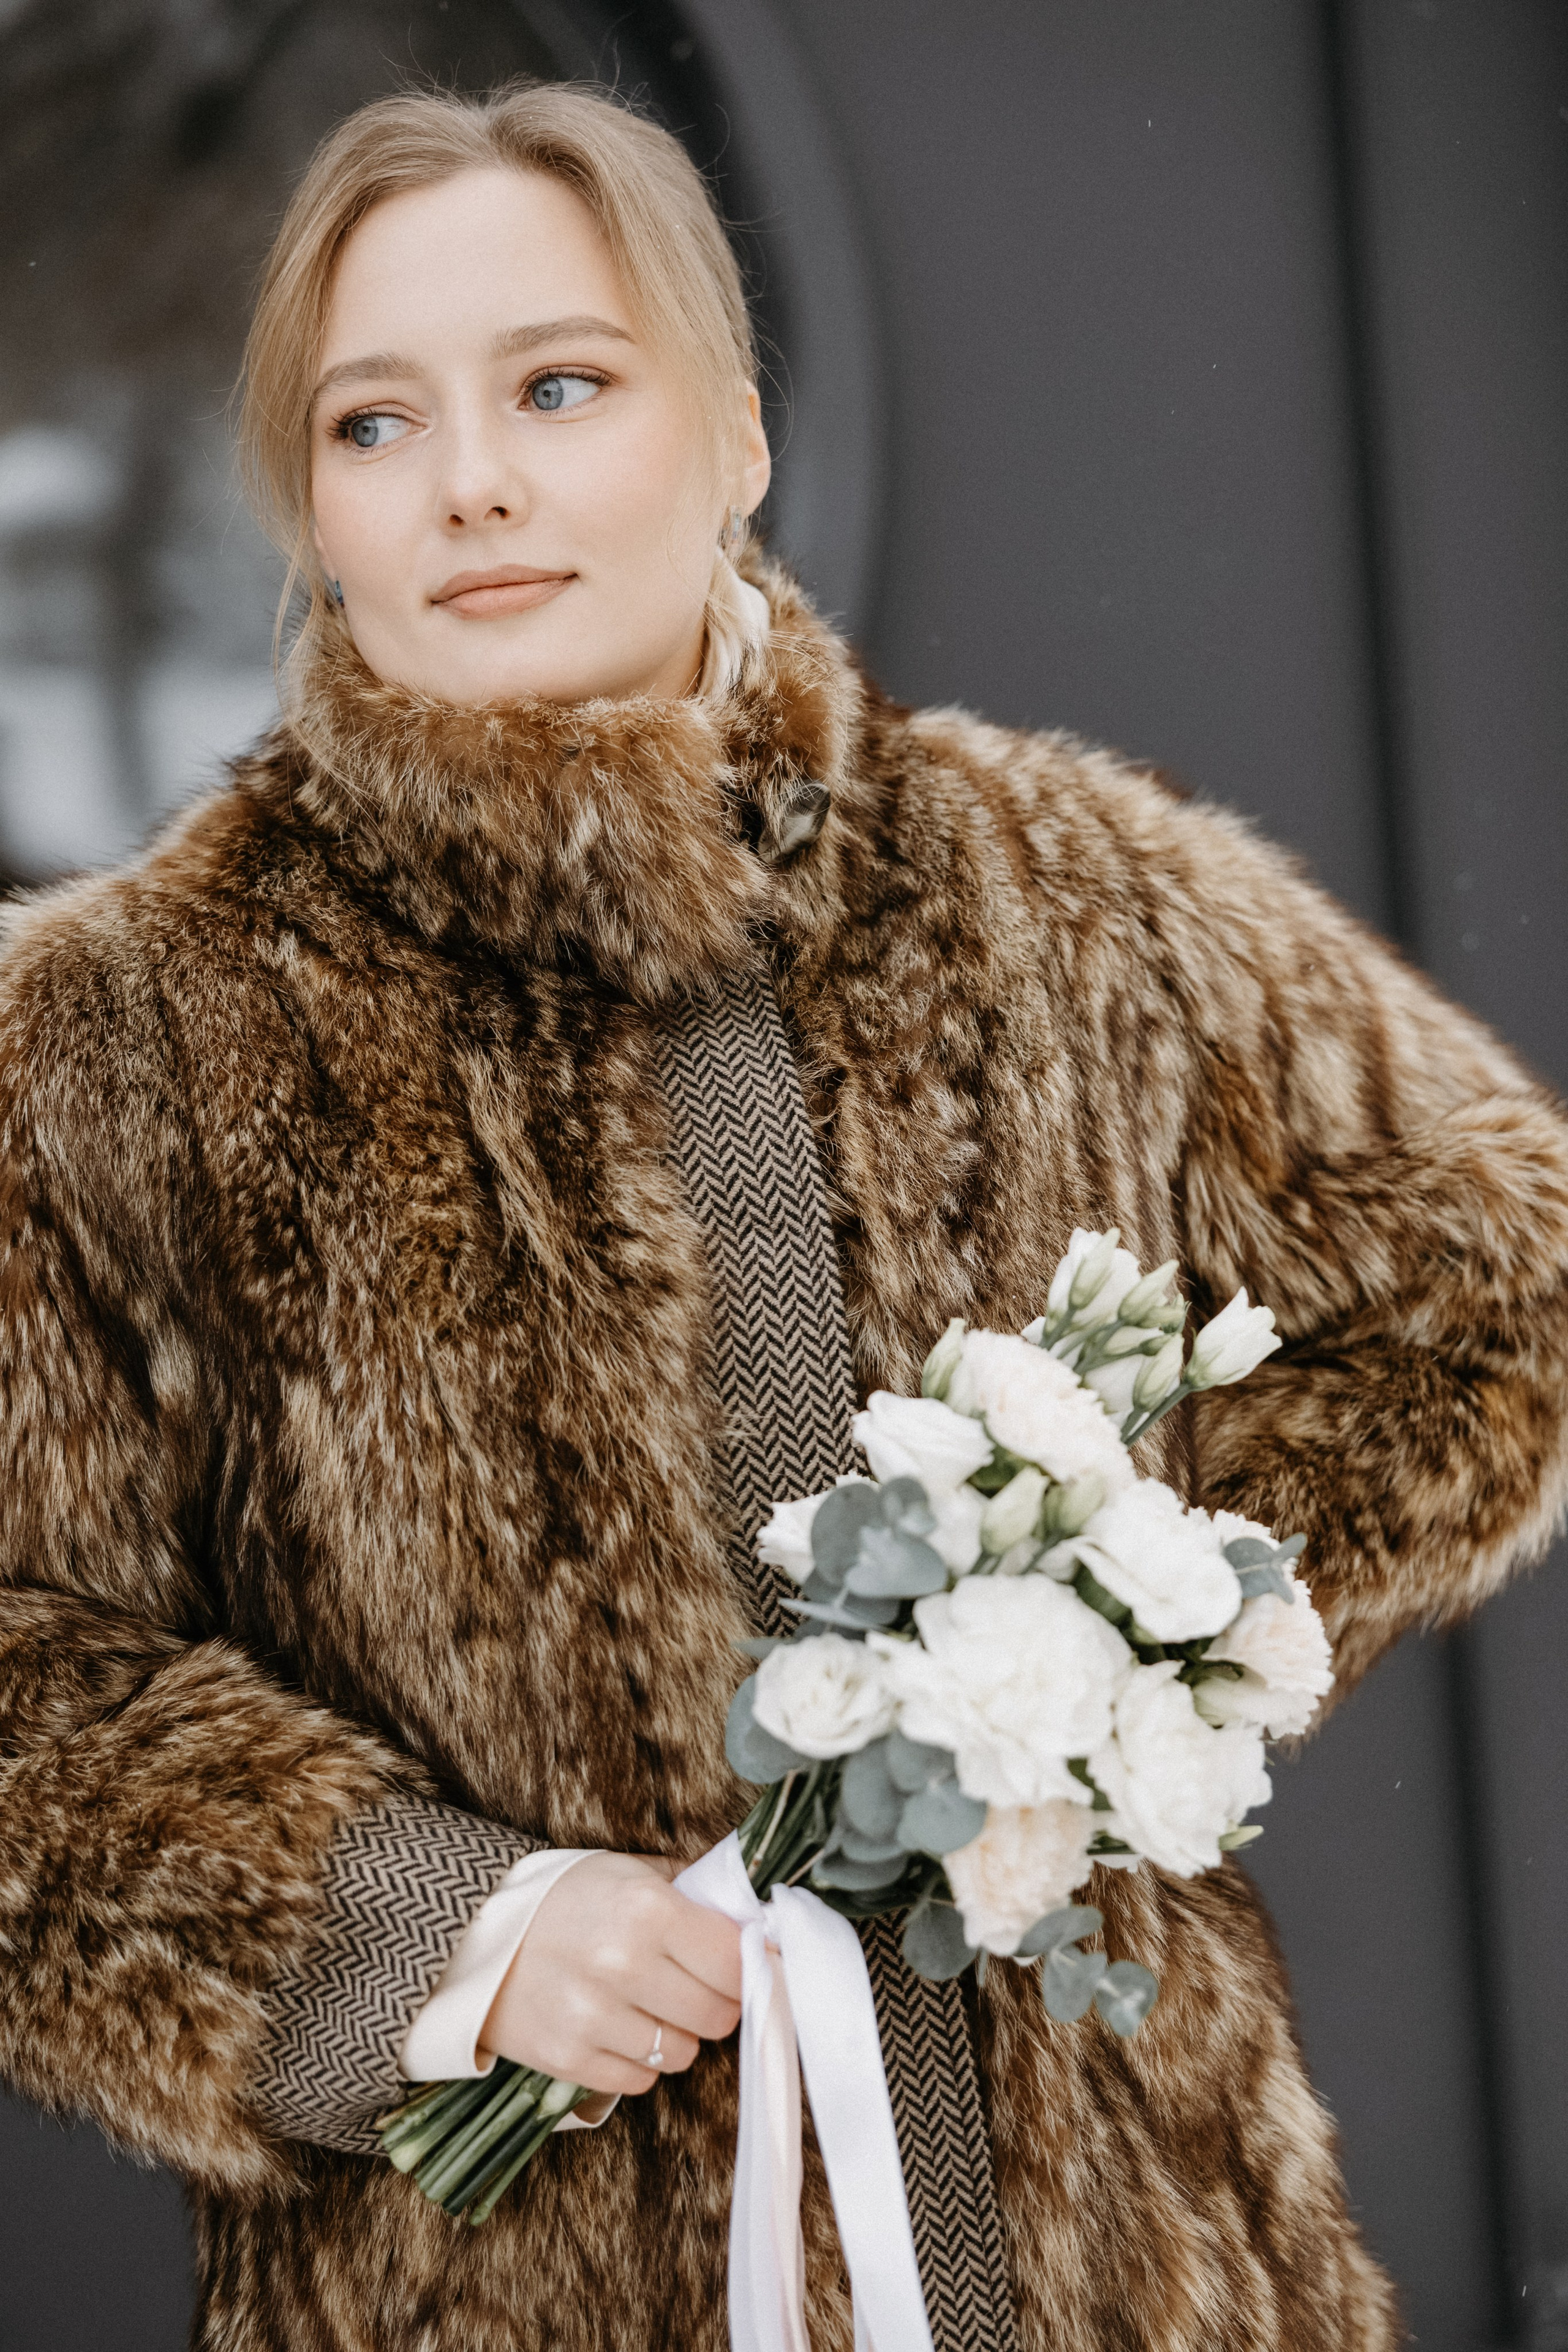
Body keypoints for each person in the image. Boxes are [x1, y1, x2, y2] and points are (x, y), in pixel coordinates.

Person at [0, 78, 1564, 2352]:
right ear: (309, 506)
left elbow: (1495, 1294)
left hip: (1132, 2269)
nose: (476, 483)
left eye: (562, 384)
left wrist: (1093, 1645)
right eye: (373, 423)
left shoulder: (1076, 895)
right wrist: (429, 1930)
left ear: (729, 436)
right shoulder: (116, 1037)